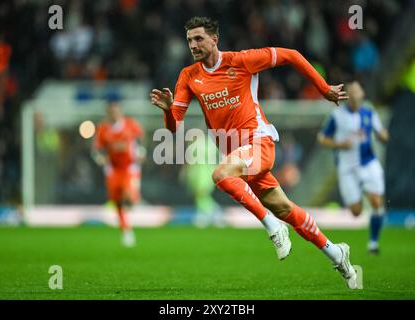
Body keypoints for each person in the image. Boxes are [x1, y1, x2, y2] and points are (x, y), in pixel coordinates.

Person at [150, 17, 358, 289]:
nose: (193, 45)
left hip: (259, 143)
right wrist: (167, 110)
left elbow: (291, 55)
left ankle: (272, 226)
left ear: (215, 39)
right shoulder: (189, 76)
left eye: (199, 39)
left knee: (221, 173)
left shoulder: (241, 61)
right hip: (239, 157)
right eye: (190, 40)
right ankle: (336, 253)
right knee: (285, 208)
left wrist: (324, 89)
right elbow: (175, 126)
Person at [317, 81, 389, 255]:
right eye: (353, 91)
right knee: (356, 212)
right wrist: (339, 144)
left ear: (362, 93)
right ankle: (363, 191)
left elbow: (381, 133)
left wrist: (383, 136)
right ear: (348, 96)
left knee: (377, 202)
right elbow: (322, 138)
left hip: (368, 162)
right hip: (347, 167)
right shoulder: (337, 115)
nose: (356, 94)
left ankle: (373, 242)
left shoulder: (369, 112)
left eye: (358, 90)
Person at [93, 101, 145, 247]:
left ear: (120, 112)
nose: (114, 114)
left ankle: (133, 198)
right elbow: (96, 149)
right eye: (111, 112)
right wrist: (100, 159)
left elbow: (140, 140)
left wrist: (142, 152)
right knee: (117, 202)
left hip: (130, 167)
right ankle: (126, 230)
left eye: (116, 111)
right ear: (108, 114)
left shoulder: (130, 125)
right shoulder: (103, 130)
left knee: (127, 195)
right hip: (113, 169)